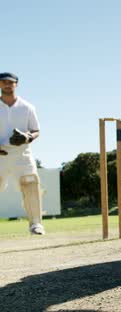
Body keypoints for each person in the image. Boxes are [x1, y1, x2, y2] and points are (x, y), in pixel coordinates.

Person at [0, 72, 45, 235]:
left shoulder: (27, 107)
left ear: (16, 85)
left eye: (10, 82)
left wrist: (27, 137)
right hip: (0, 154)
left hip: (22, 154)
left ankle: (36, 224)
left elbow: (36, 130)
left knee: (31, 184)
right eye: (3, 82)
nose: (7, 84)